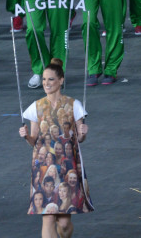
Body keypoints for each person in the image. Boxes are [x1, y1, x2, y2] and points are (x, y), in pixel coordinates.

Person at [19, 58, 93, 238]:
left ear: (61, 81)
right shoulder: (35, 107)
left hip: (68, 166)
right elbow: (34, 141)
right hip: (43, 166)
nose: (46, 83)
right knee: (48, 218)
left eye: (50, 79)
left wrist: (83, 132)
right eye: (44, 80)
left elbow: (80, 139)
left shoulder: (74, 105)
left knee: (65, 223)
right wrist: (27, 136)